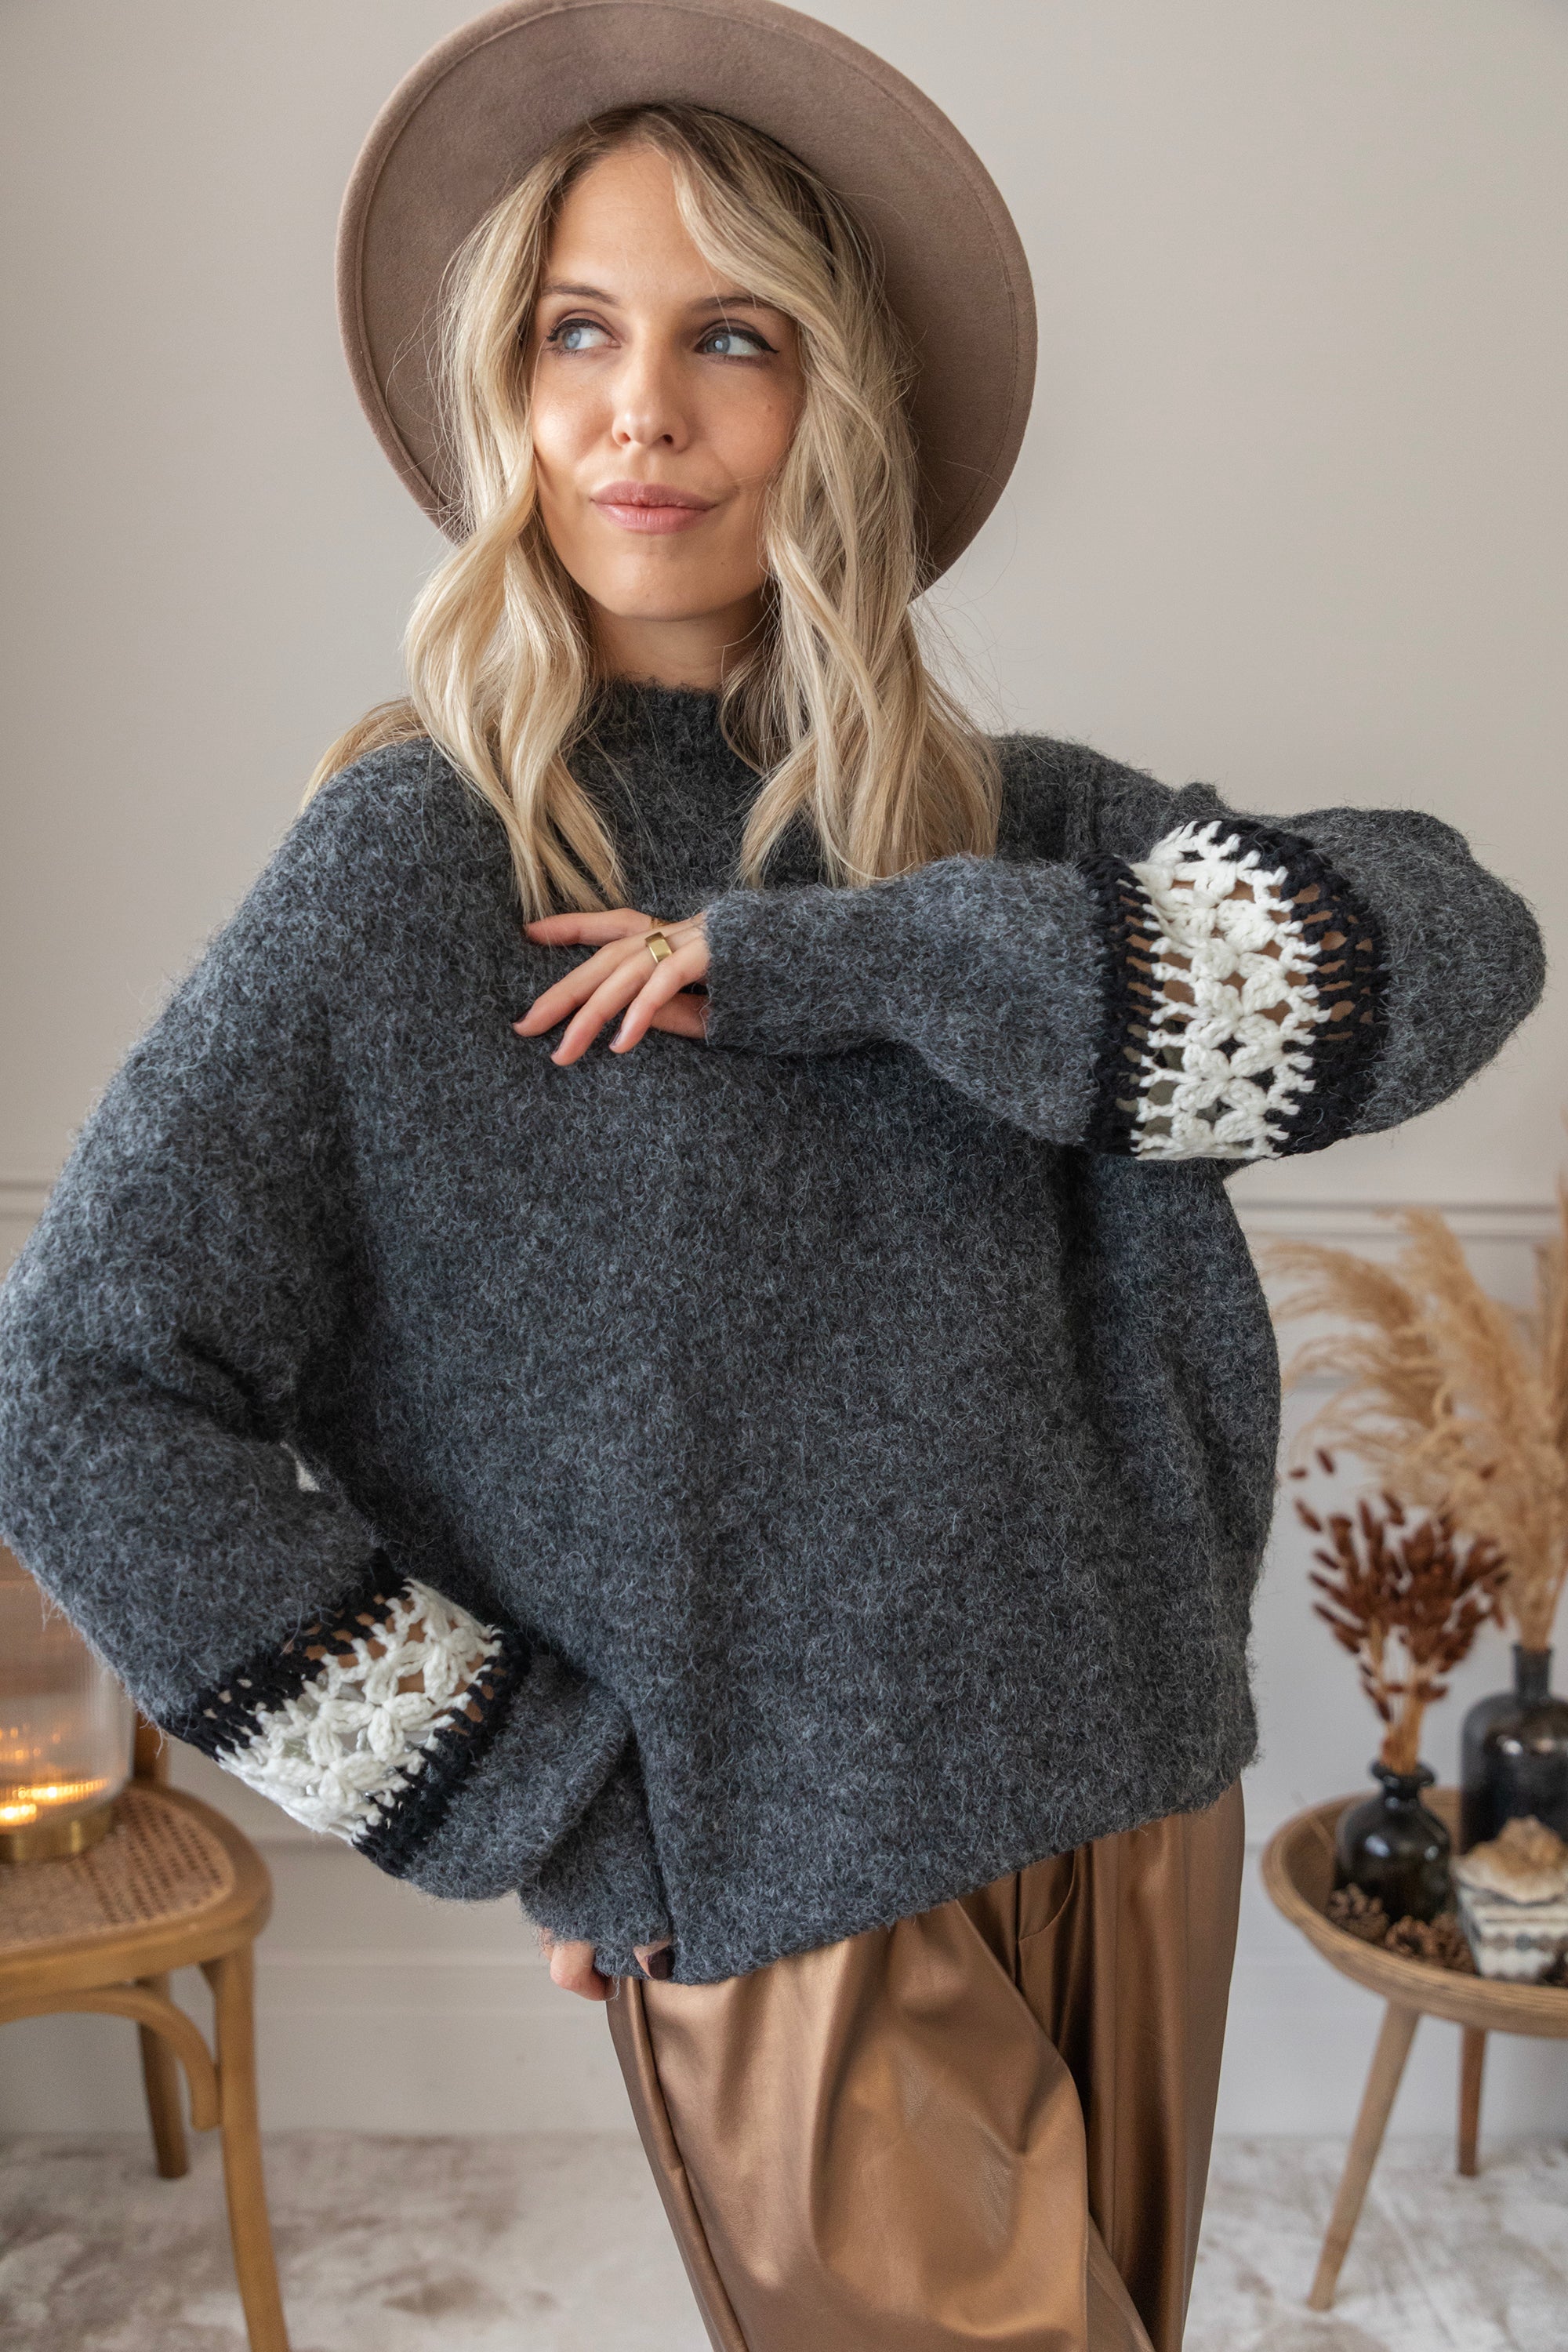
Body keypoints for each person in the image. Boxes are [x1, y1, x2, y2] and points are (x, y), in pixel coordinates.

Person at [0, 5, 1545, 2347]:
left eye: (731, 335)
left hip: (1136, 1798)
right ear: (504, 394)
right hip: (786, 1881)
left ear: (841, 398)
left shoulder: (1010, 828)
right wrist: (531, 1799)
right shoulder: (422, 869)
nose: (643, 409)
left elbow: (1452, 945)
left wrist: (853, 957)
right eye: (576, 332)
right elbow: (82, 1397)